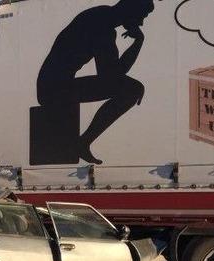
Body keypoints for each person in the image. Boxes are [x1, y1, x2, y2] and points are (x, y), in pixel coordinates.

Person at [37, 0, 153, 165]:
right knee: (131, 89)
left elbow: (112, 74)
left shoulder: (101, 16)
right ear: (131, 10)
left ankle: (82, 142)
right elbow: (111, 75)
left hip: (54, 85)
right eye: (142, 16)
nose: (141, 22)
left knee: (131, 87)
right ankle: (82, 143)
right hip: (53, 90)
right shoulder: (102, 25)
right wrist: (138, 42)